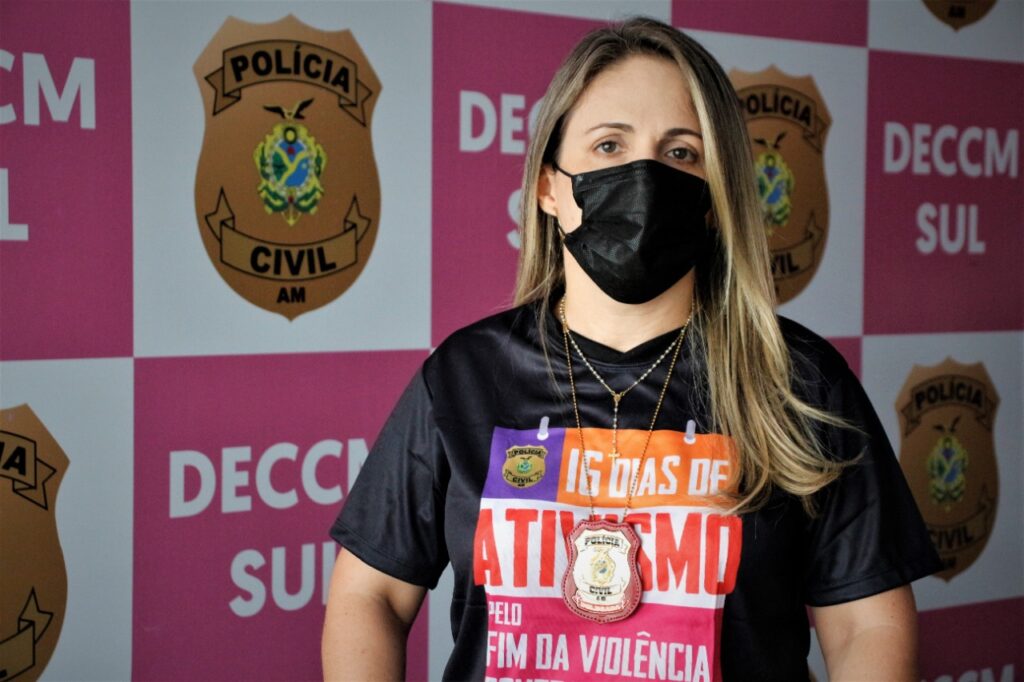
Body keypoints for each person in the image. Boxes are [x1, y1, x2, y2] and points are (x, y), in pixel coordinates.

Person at [322, 17, 940, 682]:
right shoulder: (465, 377)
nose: (644, 176)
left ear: (716, 196)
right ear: (548, 187)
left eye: (681, 153)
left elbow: (865, 626)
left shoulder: (800, 382)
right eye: (609, 145)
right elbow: (370, 595)